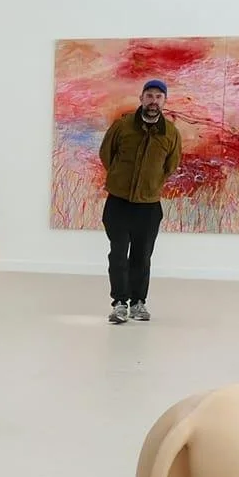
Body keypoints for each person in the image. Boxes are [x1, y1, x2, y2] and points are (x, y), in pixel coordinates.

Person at [98, 79, 182, 324]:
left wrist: (151, 184)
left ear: (164, 101)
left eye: (158, 96)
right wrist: (119, 179)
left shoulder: (171, 134)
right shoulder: (122, 126)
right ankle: (119, 303)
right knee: (118, 254)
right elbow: (107, 154)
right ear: (141, 98)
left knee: (142, 256)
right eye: (149, 95)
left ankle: (138, 302)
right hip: (119, 203)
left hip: (149, 207)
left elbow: (171, 165)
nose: (153, 101)